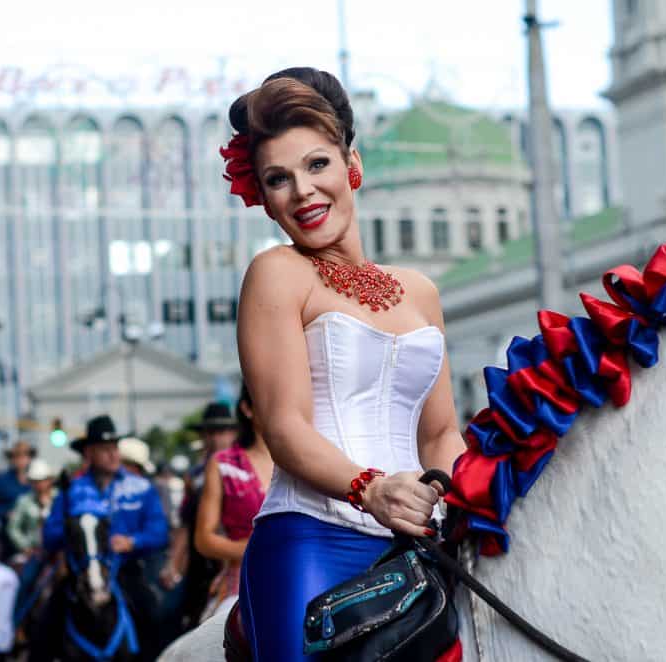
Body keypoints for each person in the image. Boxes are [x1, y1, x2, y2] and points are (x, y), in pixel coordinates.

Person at [225, 67, 464, 659]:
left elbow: (439, 433)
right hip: (311, 541)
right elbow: (284, 428)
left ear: (351, 162)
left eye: (316, 165)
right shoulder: (276, 274)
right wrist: (373, 489)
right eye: (278, 178)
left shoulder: (420, 292)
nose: (302, 191)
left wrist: (465, 506)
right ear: (264, 198)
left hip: (419, 550)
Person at [38, 415, 169, 660]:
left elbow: (159, 532)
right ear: (88, 453)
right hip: (80, 574)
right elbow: (49, 536)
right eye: (104, 449)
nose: (113, 455)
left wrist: (132, 542)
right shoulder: (71, 491)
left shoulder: (140, 487)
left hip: (127, 570)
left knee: (154, 615)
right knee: (45, 622)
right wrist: (76, 537)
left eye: (114, 448)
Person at [194, 384, 271, 619]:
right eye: (269, 397)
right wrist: (253, 549)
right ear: (247, 408)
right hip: (242, 579)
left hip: (302, 570)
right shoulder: (223, 463)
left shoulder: (304, 459)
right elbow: (203, 538)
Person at [159, 403, 237, 630]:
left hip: (237, 558)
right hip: (200, 562)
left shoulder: (249, 469)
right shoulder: (193, 476)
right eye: (210, 432)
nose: (215, 438)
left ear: (233, 433)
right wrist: (173, 564)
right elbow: (185, 523)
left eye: (221, 432)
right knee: (173, 614)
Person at [6, 458, 55, 625]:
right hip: (37, 553)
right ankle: (17, 624)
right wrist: (25, 546)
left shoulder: (59, 498)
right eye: (35, 481)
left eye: (42, 480)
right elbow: (13, 528)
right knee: (25, 581)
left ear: (49, 480)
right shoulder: (24, 501)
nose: (39, 484)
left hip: (58, 551)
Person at [0, 440, 35, 557]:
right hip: (9, 538)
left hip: (33, 535)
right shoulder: (2, 481)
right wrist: (6, 513)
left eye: (24, 456)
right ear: (12, 459)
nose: (21, 460)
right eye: (17, 456)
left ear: (29, 458)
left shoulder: (36, 479)